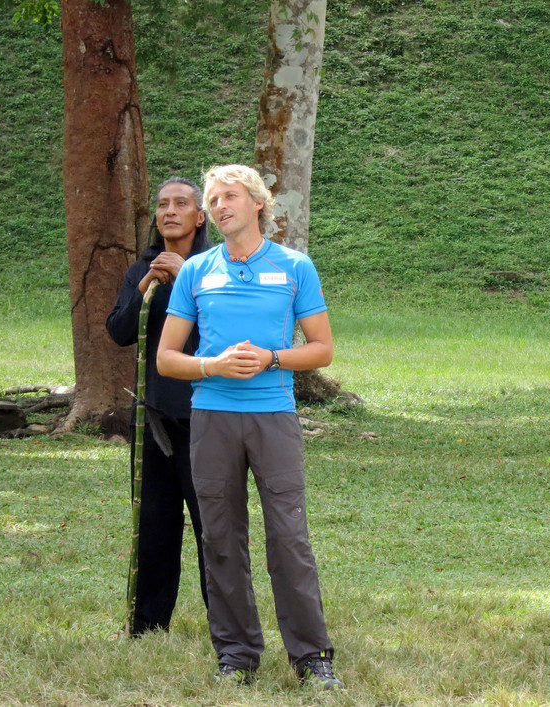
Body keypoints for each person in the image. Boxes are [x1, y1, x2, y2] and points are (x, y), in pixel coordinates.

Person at [157, 165, 343, 689]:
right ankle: (236, 656)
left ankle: (312, 657)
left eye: (229, 196)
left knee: (288, 537)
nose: (219, 206)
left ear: (257, 202)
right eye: (212, 199)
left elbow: (322, 350)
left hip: (273, 418)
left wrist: (271, 358)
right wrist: (211, 366)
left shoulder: (294, 267)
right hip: (212, 418)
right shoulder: (197, 271)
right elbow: (167, 359)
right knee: (220, 538)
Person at [106, 176, 210, 636]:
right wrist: (148, 280)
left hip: (206, 416)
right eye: (163, 204)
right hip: (153, 418)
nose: (169, 211)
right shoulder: (142, 269)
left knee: (212, 525)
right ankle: (147, 625)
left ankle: (224, 624)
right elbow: (120, 331)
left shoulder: (216, 267)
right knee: (154, 524)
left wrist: (185, 272)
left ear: (199, 216)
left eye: (181, 204)